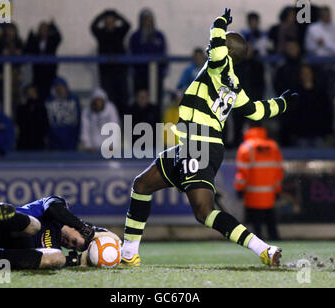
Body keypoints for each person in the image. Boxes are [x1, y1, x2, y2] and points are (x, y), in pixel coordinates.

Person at [120, 9, 298, 267]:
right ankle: (128, 255)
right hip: (191, 143)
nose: (211, 44)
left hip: (200, 143)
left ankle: (264, 249)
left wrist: (219, 23)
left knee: (204, 212)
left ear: (227, 51)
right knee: (142, 185)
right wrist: (282, 103)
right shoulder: (234, 85)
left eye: (221, 42)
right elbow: (257, 111)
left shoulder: (219, 65)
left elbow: (215, 50)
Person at [0, 196, 121, 270]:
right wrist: (90, 231)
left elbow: (117, 242)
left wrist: (80, 260)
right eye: (74, 242)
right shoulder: (58, 207)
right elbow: (54, 209)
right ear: (79, 228)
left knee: (58, 258)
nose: (69, 245)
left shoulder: (54, 247)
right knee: (34, 225)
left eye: (72, 247)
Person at [234, 123, 283, 241]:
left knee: (256, 231)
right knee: (272, 227)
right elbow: (278, 172)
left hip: (252, 197)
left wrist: (239, 189)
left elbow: (242, 174)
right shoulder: (273, 147)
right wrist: (277, 190)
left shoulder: (246, 148)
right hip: (269, 196)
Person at [91, 9, 131, 117]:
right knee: (109, 99)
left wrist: (116, 15)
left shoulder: (119, 32)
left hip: (120, 72)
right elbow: (93, 27)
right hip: (106, 72)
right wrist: (102, 15)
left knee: (123, 99)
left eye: (112, 20)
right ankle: (112, 126)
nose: (109, 23)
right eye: (107, 21)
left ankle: (125, 127)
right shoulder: (101, 33)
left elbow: (128, 25)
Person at [281, 64, 333, 146]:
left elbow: (327, 112)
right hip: (301, 134)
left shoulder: (321, 92)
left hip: (318, 133)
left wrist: (327, 131)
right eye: (303, 73)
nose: (306, 76)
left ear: (312, 74)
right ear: (300, 76)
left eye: (308, 73)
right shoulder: (295, 93)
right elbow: (291, 114)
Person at [129, 8, 167, 108]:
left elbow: (163, 54)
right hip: (140, 75)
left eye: (149, 19)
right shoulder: (135, 37)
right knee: (139, 100)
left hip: (156, 75)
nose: (147, 22)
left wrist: (163, 70)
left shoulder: (159, 36)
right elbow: (132, 53)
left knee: (156, 101)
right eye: (145, 20)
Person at [305, 6, 335, 101]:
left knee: (330, 92)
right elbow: (309, 47)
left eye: (327, 14)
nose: (326, 16)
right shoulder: (313, 29)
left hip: (331, 64)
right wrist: (320, 45)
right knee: (317, 92)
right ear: (320, 15)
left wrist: (324, 43)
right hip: (317, 65)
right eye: (323, 14)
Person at [25, 20, 62, 101]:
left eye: (45, 29)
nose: (43, 31)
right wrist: (30, 37)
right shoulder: (35, 41)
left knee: (50, 95)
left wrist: (53, 26)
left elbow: (59, 38)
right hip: (38, 74)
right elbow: (27, 49)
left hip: (50, 74)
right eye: (41, 29)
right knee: (39, 96)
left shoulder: (52, 41)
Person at [45, 77, 81, 151]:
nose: (59, 88)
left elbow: (79, 119)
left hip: (71, 140)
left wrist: (77, 137)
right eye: (57, 86)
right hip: (54, 142)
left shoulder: (74, 100)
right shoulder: (48, 102)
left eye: (61, 86)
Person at [16, 84, 49, 151]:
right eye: (29, 93)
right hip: (24, 144)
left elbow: (45, 126)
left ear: (36, 94)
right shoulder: (21, 109)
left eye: (33, 93)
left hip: (38, 144)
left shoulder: (42, 109)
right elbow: (20, 124)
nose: (31, 95)